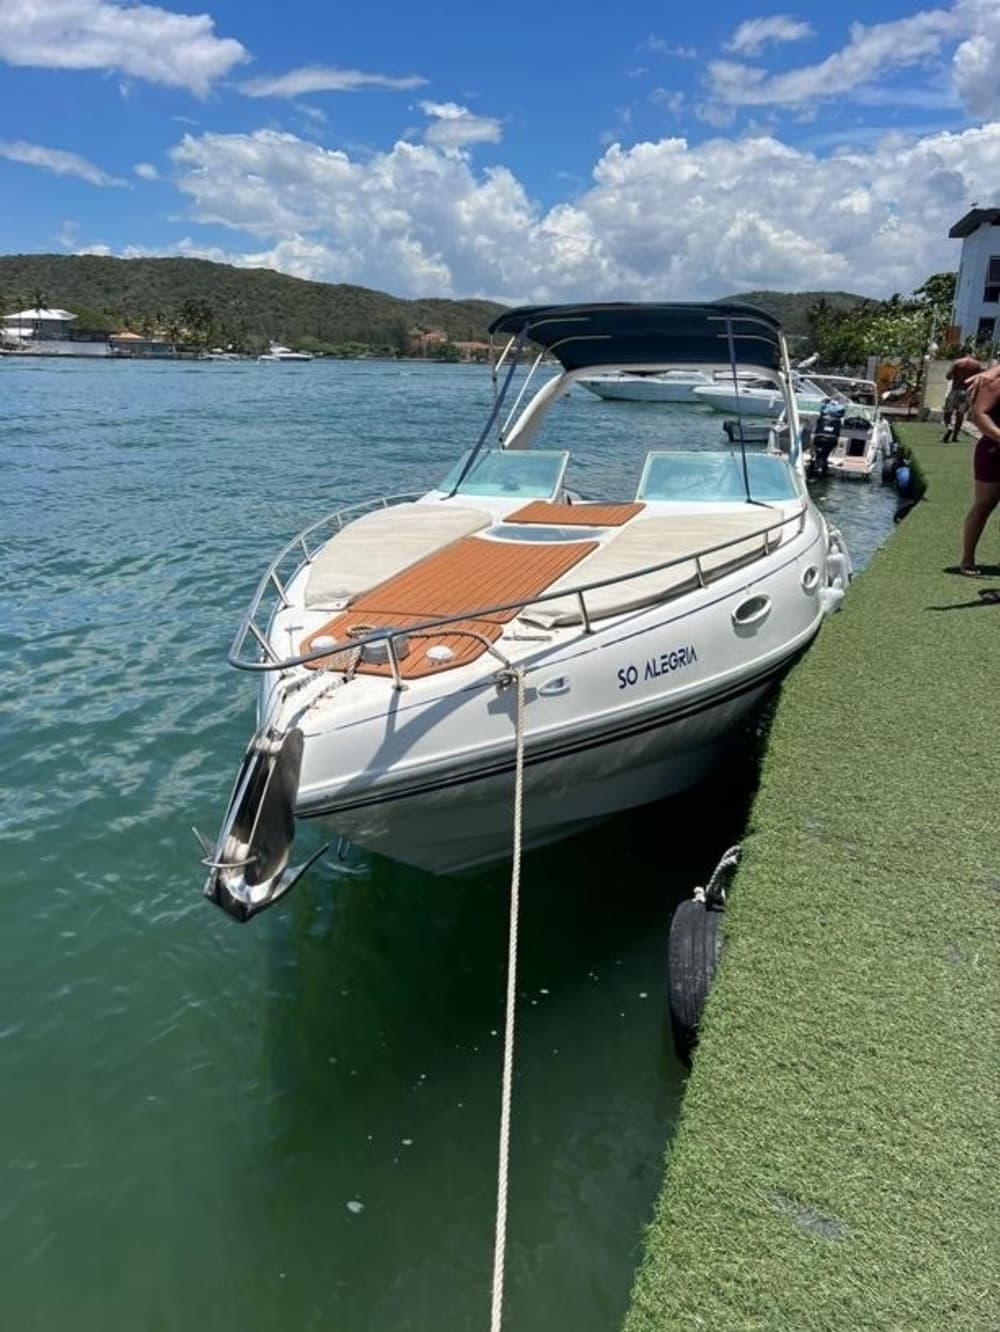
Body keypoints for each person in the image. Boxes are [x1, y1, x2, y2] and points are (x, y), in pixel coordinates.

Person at [960, 367, 1000, 573]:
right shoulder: (992, 382)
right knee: (984, 504)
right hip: (994, 450)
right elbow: (979, 415)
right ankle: (967, 559)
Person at [942, 354, 983, 441]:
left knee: (948, 413)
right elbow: (979, 380)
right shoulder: (976, 365)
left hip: (955, 391)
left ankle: (949, 427)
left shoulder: (957, 362)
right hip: (966, 392)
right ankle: (955, 437)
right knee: (960, 415)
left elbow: (948, 376)